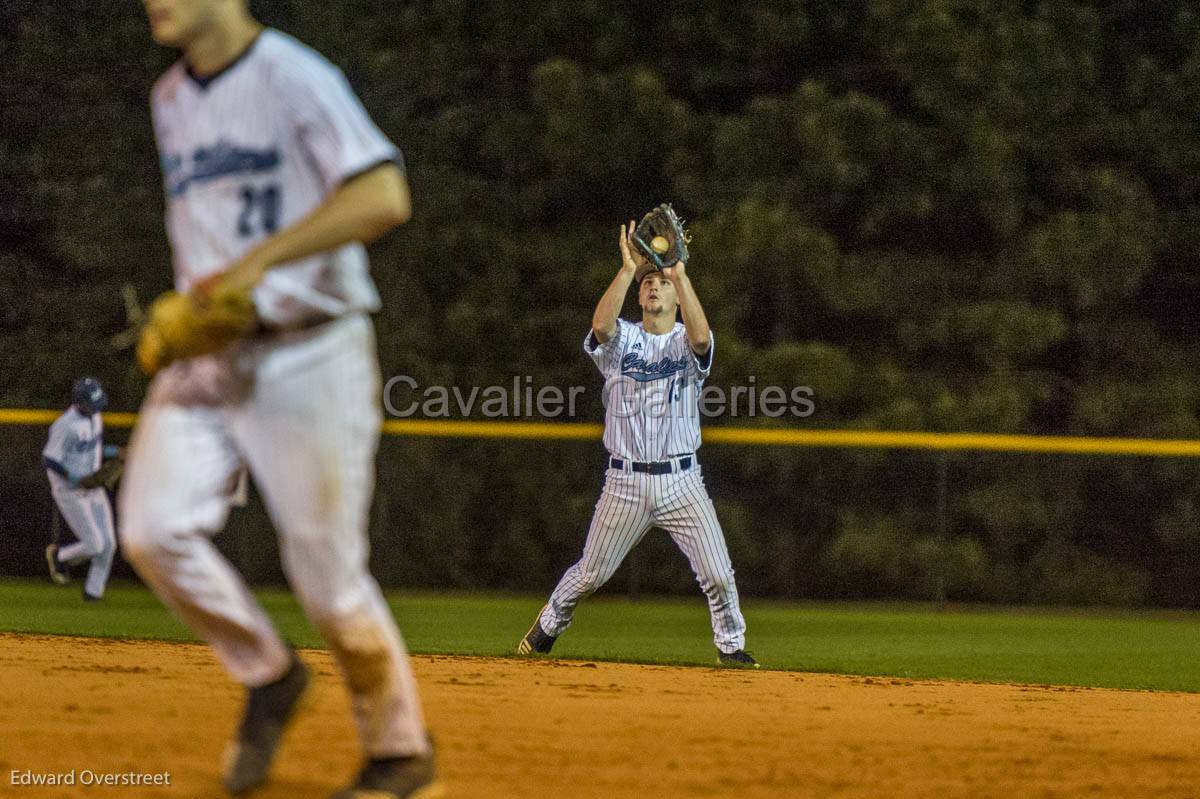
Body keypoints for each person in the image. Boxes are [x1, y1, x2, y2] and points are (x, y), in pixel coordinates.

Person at [120, 2, 441, 797]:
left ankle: (398, 752)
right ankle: (270, 674)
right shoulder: (168, 99)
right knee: (151, 530)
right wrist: (200, 301)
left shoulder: (295, 77)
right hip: (213, 354)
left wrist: (258, 266)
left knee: (328, 580)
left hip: (312, 350)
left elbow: (384, 196)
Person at [518, 221, 758, 668]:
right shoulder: (623, 339)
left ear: (674, 295)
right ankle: (548, 626)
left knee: (719, 577)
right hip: (624, 481)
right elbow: (600, 325)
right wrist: (629, 268)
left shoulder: (687, 342)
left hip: (682, 482)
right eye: (649, 282)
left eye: (661, 283)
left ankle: (732, 649)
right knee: (591, 574)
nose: (654, 288)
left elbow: (703, 338)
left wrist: (680, 274)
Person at [43, 377, 119, 601]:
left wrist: (114, 453)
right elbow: (49, 459)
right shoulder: (65, 425)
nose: (96, 407)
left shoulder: (96, 417)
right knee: (95, 545)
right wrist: (72, 477)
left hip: (93, 486)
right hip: (70, 490)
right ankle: (60, 556)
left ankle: (92, 594)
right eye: (91, 403)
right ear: (79, 402)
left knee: (109, 545)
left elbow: (90, 448)